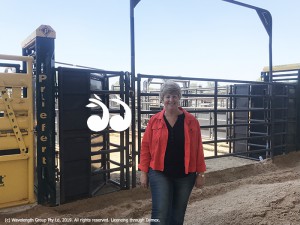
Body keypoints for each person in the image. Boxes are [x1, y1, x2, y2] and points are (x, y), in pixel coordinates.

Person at [139, 80, 206, 225]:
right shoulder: (154, 121)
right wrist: (144, 172)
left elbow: (198, 149)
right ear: (162, 98)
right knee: (160, 212)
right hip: (159, 172)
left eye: (174, 96)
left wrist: (200, 174)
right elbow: (145, 147)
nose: (171, 100)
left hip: (185, 174)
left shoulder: (191, 121)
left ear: (179, 98)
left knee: (177, 215)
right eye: (168, 96)